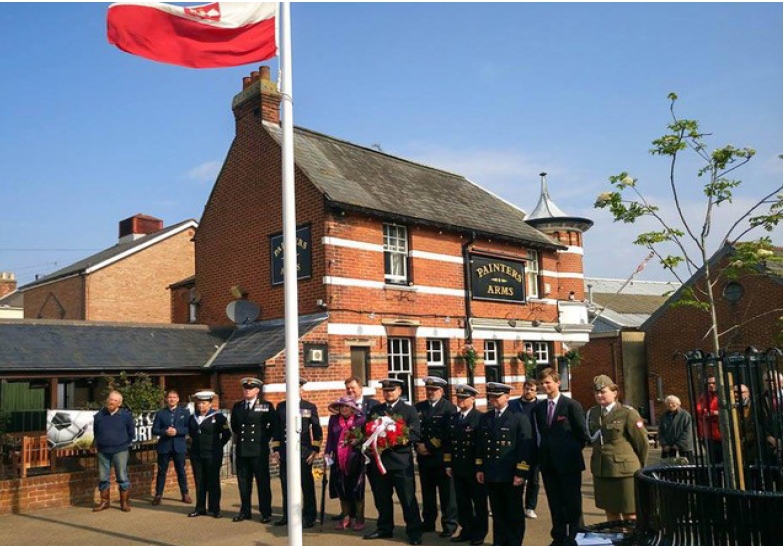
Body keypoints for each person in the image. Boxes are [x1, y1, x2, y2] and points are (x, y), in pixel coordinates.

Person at [533, 367, 590, 546]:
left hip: (569, 464)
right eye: (542, 383)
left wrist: (569, 451)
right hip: (548, 464)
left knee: (572, 502)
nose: (544, 386)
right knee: (555, 502)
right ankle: (558, 537)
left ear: (558, 383)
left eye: (548, 382)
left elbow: (582, 435)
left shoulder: (571, 405)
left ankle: (574, 537)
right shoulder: (539, 408)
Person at [364, 377, 423, 545]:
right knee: (382, 498)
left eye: (392, 390)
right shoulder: (376, 410)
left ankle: (414, 532)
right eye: (385, 390)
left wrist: (394, 439)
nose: (388, 393)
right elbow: (367, 431)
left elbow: (415, 434)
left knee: (407, 499)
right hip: (380, 463)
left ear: (399, 391)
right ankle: (384, 528)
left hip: (401, 462)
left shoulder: (409, 410)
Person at [476, 382, 534, 546]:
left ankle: (514, 542)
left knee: (513, 512)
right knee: (497, 512)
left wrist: (521, 473)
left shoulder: (518, 418)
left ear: (507, 397)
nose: (493, 399)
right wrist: (480, 468)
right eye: (491, 396)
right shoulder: (485, 417)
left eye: (497, 396)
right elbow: (481, 445)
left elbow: (525, 448)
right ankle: (499, 541)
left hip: (510, 474)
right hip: (491, 473)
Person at [586, 375, 649, 522]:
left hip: (624, 472)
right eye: (596, 392)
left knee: (630, 513)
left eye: (603, 391)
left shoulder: (627, 413)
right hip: (602, 470)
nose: (599, 395)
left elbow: (642, 443)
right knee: (611, 513)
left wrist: (641, 467)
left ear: (614, 393)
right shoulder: (593, 413)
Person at [272, 378, 322, 528]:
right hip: (285, 453)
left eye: (297, 387)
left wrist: (315, 449)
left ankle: (309, 516)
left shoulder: (309, 406)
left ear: (301, 389)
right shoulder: (281, 407)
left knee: (306, 486)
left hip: (304, 453)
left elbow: (317, 429)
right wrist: (276, 449)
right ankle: (287, 516)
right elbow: (276, 430)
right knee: (286, 486)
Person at [332, 376, 380, 523]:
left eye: (353, 387)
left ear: (361, 387)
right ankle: (348, 514)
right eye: (348, 388)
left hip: (370, 455)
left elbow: (377, 428)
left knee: (375, 487)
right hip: (349, 455)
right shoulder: (343, 407)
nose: (350, 390)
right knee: (347, 484)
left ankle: (381, 517)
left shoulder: (373, 405)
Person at [444, 384, 487, 546]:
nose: (460, 401)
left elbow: (481, 446)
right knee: (462, 502)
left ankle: (479, 532)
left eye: (464, 398)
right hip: (458, 466)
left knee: (479, 502)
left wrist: (479, 467)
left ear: (473, 399)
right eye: (458, 398)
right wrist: (448, 463)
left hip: (474, 468)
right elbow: (448, 443)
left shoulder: (480, 418)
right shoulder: (453, 418)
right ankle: (466, 530)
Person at [414, 376, 458, 538]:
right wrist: (417, 445)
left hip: (441, 458)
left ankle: (449, 524)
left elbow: (446, 433)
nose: (430, 392)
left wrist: (428, 446)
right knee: (427, 493)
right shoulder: (419, 407)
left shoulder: (449, 408)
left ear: (442, 391)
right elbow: (413, 429)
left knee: (447, 494)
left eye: (434, 390)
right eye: (428, 389)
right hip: (424, 458)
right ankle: (428, 522)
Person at [230, 377, 277, 523]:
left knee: (262, 482)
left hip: (258, 449)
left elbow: (273, 426)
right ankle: (245, 511)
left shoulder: (266, 405)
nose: (247, 390)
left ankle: (266, 512)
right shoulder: (237, 406)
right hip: (243, 450)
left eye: (250, 388)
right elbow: (235, 426)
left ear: (257, 390)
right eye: (245, 388)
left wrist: (263, 439)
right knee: (243, 482)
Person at [325, 396, 367, 531]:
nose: (344, 409)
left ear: (352, 409)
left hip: (355, 459)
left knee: (357, 490)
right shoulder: (333, 420)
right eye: (341, 406)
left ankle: (359, 518)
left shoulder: (360, 420)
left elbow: (366, 437)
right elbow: (330, 438)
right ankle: (346, 517)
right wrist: (327, 452)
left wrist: (358, 441)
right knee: (342, 489)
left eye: (347, 406)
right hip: (338, 460)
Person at [187, 390, 231, 518]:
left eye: (204, 403)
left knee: (213, 481)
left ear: (210, 404)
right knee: (199, 481)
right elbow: (191, 434)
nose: (201, 405)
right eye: (199, 403)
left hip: (213, 454)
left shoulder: (218, 417)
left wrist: (217, 446)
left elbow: (227, 434)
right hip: (197, 454)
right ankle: (200, 508)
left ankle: (214, 509)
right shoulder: (192, 418)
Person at [92, 390, 135, 512]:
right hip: (103, 451)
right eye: (110, 399)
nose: (112, 402)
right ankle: (105, 502)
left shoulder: (125, 416)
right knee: (103, 477)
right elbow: (96, 431)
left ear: (119, 403)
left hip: (120, 450)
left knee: (122, 476)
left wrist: (124, 444)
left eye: (115, 400)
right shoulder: (99, 415)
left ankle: (124, 503)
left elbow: (131, 432)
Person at [151, 389, 192, 506]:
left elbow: (189, 428)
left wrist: (177, 431)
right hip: (164, 446)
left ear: (178, 399)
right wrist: (165, 432)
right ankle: (158, 495)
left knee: (181, 471)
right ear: (166, 399)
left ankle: (185, 494)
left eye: (174, 397)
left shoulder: (185, 412)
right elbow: (155, 430)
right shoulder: (161, 413)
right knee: (161, 472)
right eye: (170, 397)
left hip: (179, 446)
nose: (172, 399)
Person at [509, 379, 541, 519]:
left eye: (532, 389)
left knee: (533, 479)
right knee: (515, 477)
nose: (528, 391)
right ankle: (514, 505)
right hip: (517, 447)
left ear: (536, 391)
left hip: (534, 447)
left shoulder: (540, 406)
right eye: (527, 388)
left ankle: (530, 507)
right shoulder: (513, 404)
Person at [658, 394, 694, 463]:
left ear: (678, 404)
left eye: (672, 403)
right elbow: (661, 432)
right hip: (668, 447)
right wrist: (664, 444)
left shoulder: (685, 415)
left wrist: (678, 445)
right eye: (668, 403)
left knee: (687, 467)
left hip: (684, 447)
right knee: (668, 468)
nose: (670, 405)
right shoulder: (664, 416)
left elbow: (688, 432)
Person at [695, 375, 722, 464]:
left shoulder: (722, 395)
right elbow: (698, 410)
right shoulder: (704, 396)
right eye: (709, 383)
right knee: (713, 462)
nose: (711, 385)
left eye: (713, 383)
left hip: (721, 435)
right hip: (708, 434)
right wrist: (708, 412)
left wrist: (715, 413)